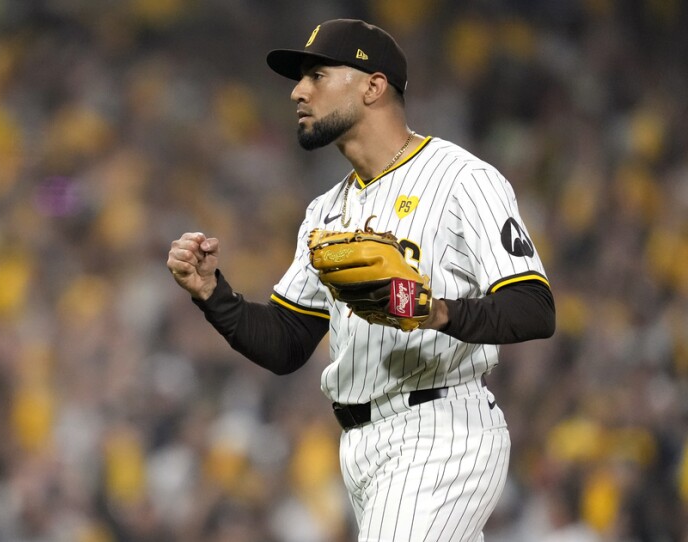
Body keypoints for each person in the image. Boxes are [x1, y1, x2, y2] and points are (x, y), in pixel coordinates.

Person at [167, 18, 555, 541]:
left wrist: (438, 311)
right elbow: (286, 343)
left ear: (374, 86)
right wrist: (213, 294)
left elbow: (535, 308)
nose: (298, 91)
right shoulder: (325, 211)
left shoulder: (463, 179)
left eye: (318, 75)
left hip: (441, 427)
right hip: (361, 447)